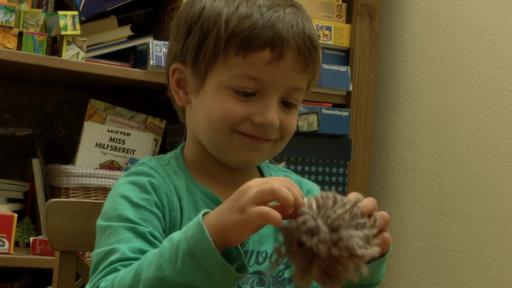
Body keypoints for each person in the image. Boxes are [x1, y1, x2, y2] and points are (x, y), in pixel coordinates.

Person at [87, 0, 392, 287]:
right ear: (183, 86)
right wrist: (211, 238)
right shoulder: (146, 192)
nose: (271, 119)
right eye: (246, 93)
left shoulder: (304, 198)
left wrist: (361, 258)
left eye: (288, 103)